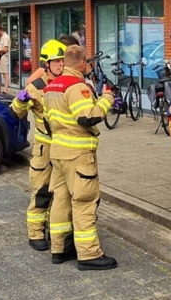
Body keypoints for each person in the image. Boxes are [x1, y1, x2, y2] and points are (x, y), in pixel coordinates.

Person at [43, 45, 119, 270]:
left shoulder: (51, 86)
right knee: (84, 201)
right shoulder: (77, 87)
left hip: (57, 152)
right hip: (78, 155)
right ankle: (88, 255)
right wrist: (107, 99)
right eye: (87, 63)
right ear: (83, 63)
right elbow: (87, 117)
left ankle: (60, 248)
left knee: (60, 200)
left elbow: (48, 121)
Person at [11, 40, 67, 251]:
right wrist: (21, 99)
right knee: (42, 191)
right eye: (56, 61)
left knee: (62, 194)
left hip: (64, 148)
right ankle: (35, 232)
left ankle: (58, 232)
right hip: (45, 149)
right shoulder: (36, 87)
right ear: (46, 64)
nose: (60, 65)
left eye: (62, 61)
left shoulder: (65, 84)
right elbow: (16, 112)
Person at [0, 25, 11, 90]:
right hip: (0, 56)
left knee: (5, 74)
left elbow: (5, 49)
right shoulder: (2, 37)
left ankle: (5, 90)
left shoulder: (5, 37)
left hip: (4, 56)